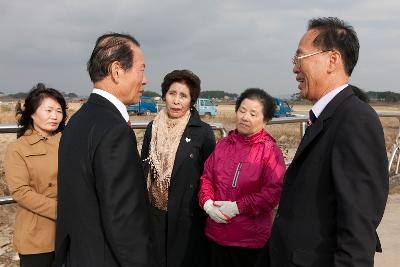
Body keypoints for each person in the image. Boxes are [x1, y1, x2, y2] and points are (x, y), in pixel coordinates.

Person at [257, 17, 389, 267]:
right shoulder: (325, 117)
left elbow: (357, 230)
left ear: (332, 60)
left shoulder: (355, 119)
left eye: (300, 58)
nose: (295, 68)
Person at [54, 33, 151, 267]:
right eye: (141, 69)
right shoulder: (115, 130)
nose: (145, 80)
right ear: (117, 70)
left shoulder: (79, 120)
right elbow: (124, 221)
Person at [198, 88, 286, 267]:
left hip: (249, 240)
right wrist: (207, 203)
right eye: (242, 110)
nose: (245, 117)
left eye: (253, 114)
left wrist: (238, 207)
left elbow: (273, 192)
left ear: (265, 120)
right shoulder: (223, 144)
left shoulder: (269, 151)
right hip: (215, 233)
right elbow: (207, 177)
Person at [141, 69, 215, 267]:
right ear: (165, 95)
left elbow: (209, 176)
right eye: (172, 93)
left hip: (186, 216)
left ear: (192, 100)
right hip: (153, 212)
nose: (176, 101)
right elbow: (144, 166)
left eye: (183, 95)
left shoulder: (203, 132)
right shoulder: (152, 127)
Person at [5, 83, 67, 267]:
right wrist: (62, 210)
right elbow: (20, 192)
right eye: (48, 110)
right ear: (32, 113)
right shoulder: (19, 148)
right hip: (37, 235)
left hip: (70, 230)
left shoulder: (67, 140)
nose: (55, 116)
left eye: (59, 111)